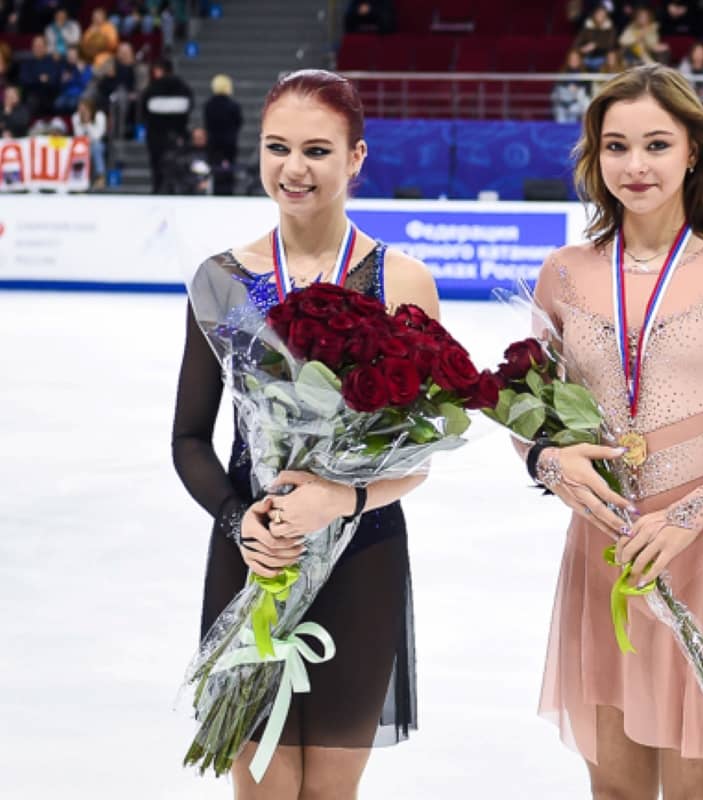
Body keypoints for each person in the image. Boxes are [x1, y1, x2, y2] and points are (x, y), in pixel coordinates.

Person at [525, 63, 703, 799]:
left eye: (656, 144)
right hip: (600, 547)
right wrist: (550, 462)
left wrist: (690, 515)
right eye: (615, 146)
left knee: (696, 793)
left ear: (694, 153)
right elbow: (532, 418)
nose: (635, 165)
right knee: (615, 791)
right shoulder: (561, 273)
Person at [172, 69, 437, 797]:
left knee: (327, 791)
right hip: (253, 557)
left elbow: (420, 454)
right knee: (260, 785)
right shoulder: (222, 280)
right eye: (277, 147)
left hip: (362, 556)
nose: (293, 169)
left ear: (356, 157)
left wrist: (340, 501)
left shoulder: (399, 281)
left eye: (317, 150)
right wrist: (239, 520)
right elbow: (190, 438)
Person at [142, 57, 192, 193]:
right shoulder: (183, 88)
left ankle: (159, 188)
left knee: (158, 166)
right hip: (177, 134)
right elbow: (188, 108)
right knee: (176, 165)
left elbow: (144, 111)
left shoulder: (152, 89)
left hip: (157, 135)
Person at [204, 73, 242, 195]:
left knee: (215, 170)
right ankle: (228, 192)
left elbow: (207, 124)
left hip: (213, 143)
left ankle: (215, 191)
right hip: (229, 143)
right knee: (228, 171)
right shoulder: (233, 105)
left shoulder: (209, 105)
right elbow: (238, 122)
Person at [18, 34, 59, 116]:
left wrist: (36, 80)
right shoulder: (26, 64)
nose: (38, 48)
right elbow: (24, 80)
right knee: (31, 100)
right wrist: (40, 79)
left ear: (46, 48)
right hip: (32, 96)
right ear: (32, 48)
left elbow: (54, 80)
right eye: (36, 46)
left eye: (40, 46)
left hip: (49, 96)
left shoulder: (52, 63)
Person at [71, 95, 107, 187]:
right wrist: (82, 122)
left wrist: (88, 123)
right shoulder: (76, 117)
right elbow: (78, 135)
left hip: (97, 143)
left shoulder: (100, 116)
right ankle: (76, 178)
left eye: (84, 107)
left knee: (96, 147)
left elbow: (97, 136)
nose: (82, 110)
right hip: (82, 145)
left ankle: (100, 177)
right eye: (80, 107)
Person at [552, 48, 591, 123]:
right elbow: (556, 90)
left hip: (577, 104)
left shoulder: (585, 73)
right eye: (572, 58)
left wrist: (577, 89)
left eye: (576, 58)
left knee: (583, 100)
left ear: (580, 60)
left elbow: (587, 92)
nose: (574, 60)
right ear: (568, 60)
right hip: (562, 104)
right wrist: (568, 87)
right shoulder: (563, 73)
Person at [573, 5, 618, 70]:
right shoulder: (587, 28)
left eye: (603, 15)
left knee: (611, 56)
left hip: (603, 57)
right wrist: (582, 49)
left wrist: (595, 45)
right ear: (594, 15)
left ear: (606, 16)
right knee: (574, 56)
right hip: (587, 57)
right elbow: (576, 43)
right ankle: (576, 78)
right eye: (598, 14)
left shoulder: (610, 29)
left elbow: (610, 45)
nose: (600, 16)